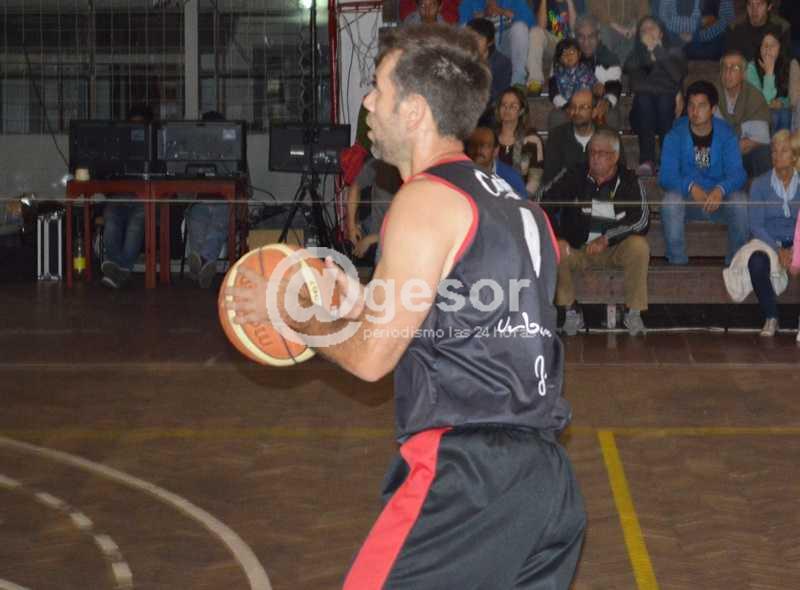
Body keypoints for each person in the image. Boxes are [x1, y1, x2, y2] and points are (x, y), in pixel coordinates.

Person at [228, 24, 585, 588]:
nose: (368, 102)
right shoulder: (517, 206)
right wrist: (363, 302)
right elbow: (473, 316)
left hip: (468, 477)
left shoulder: (424, 198)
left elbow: (373, 359)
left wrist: (294, 317)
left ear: (415, 111)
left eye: (378, 88)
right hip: (546, 483)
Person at [541, 128, 651, 336]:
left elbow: (642, 220)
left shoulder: (630, 181)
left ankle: (633, 312)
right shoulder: (574, 174)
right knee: (557, 248)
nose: (595, 158)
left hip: (614, 250)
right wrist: (559, 237)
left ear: (615, 157)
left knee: (639, 246)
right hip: (578, 249)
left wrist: (607, 239)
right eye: (592, 152)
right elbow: (543, 203)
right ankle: (571, 311)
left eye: (601, 153)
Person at [659, 80, 749, 265]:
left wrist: (721, 189)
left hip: (719, 202)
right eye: (691, 105)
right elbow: (666, 176)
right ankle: (677, 262)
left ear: (713, 109)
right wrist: (690, 187)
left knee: (740, 201)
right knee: (670, 201)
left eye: (701, 106)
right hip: (689, 203)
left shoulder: (726, 134)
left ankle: (736, 263)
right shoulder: (675, 135)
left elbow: (738, 174)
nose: (695, 111)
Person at [734, 129, 800, 336]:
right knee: (757, 261)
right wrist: (779, 249)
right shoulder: (760, 184)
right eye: (773, 151)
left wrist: (795, 250)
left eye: (783, 151)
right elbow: (756, 225)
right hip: (769, 241)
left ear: (795, 156)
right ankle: (771, 316)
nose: (776, 156)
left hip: (798, 241)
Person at [624, 16, 687, 177]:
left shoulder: (675, 52)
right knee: (645, 98)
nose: (647, 32)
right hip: (642, 117)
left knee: (664, 100)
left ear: (661, 33)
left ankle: (668, 160)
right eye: (643, 30)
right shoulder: (635, 56)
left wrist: (657, 51)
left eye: (651, 27)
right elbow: (636, 86)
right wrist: (673, 89)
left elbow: (677, 75)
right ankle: (647, 160)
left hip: (667, 116)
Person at [101, 103, 153, 289]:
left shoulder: (154, 145)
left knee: (135, 226)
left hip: (143, 199)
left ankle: (120, 269)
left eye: (140, 126)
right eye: (132, 125)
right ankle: (121, 269)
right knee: (110, 220)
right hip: (119, 197)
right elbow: (108, 171)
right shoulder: (118, 145)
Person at [185, 110, 237, 289]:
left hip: (224, 202)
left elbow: (247, 186)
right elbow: (186, 181)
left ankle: (201, 262)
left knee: (216, 228)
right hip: (200, 202)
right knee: (196, 221)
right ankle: (205, 265)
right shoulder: (195, 151)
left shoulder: (235, 150)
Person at [540, 88, 626, 186]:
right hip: (567, 192)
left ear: (594, 112)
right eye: (573, 107)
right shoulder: (557, 136)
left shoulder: (610, 137)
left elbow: (621, 174)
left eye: (583, 107)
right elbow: (550, 178)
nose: (576, 112)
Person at [715, 49, 772, 177]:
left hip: (745, 156)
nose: (728, 72)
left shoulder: (754, 97)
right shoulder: (711, 94)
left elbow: (760, 138)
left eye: (734, 68)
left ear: (743, 74)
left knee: (763, 152)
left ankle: (764, 187)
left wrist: (732, 147)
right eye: (725, 67)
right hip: (716, 156)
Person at [459, 0, 535, 87]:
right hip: (486, 50)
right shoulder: (469, 2)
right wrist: (478, 19)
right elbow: (462, 30)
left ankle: (518, 82)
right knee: (475, 35)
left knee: (520, 28)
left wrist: (501, 11)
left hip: (509, 47)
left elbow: (531, 22)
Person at [345, 156, 402, 266]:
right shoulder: (378, 162)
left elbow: (406, 229)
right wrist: (352, 227)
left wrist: (370, 239)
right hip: (376, 229)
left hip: (398, 240)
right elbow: (355, 187)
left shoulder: (418, 173)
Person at [575, 14, 624, 130]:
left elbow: (614, 85)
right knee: (557, 117)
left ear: (599, 36)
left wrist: (607, 102)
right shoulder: (566, 55)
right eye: (581, 37)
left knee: (611, 116)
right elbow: (556, 85)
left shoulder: (610, 58)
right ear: (575, 37)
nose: (586, 42)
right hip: (572, 102)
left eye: (591, 37)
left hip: (599, 101)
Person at [494, 86, 545, 187]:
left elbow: (535, 181)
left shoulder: (532, 140)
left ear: (521, 111)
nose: (507, 109)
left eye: (513, 106)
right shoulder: (490, 137)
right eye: (503, 105)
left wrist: (521, 195)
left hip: (522, 193)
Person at [745, 32, 795, 132]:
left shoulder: (787, 65)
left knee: (784, 113)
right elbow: (761, 103)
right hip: (755, 113)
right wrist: (769, 72)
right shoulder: (751, 68)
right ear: (760, 49)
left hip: (779, 111)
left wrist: (781, 103)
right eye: (765, 45)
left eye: (773, 45)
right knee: (774, 116)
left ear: (780, 48)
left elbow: (789, 97)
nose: (768, 48)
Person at [528, 0, 579, 94]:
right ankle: (535, 81)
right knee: (535, 32)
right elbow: (541, 26)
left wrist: (570, 2)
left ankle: (554, 82)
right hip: (550, 40)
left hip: (569, 41)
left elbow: (575, 28)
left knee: (564, 42)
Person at [547, 38, 598, 129]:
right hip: (567, 106)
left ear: (579, 54)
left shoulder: (587, 71)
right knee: (557, 117)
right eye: (564, 54)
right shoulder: (557, 76)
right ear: (560, 59)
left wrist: (597, 89)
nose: (568, 56)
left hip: (586, 105)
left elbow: (595, 86)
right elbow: (554, 95)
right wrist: (567, 106)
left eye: (572, 52)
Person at [467, 17, 513, 118]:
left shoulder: (502, 63)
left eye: (479, 38)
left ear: (490, 41)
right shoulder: (462, 59)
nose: (474, 42)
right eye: (471, 38)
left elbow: (499, 95)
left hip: (489, 112)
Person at [466, 126, 528, 196]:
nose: (478, 150)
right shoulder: (460, 173)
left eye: (485, 146)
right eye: (473, 145)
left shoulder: (512, 178)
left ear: (495, 150)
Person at [725, 0, 791, 63]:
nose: (754, 10)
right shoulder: (734, 27)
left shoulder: (782, 28)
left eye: (759, 4)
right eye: (750, 4)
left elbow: (784, 61)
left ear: (769, 7)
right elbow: (729, 60)